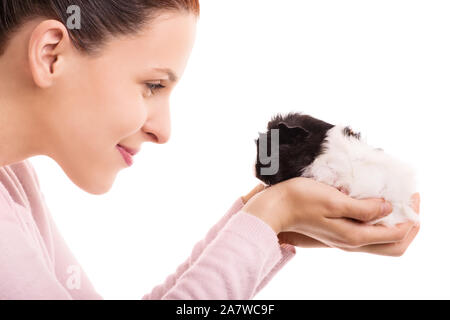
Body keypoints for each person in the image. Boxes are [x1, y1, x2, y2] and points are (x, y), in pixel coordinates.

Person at [0, 0, 420, 299]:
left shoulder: (13, 179)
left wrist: (271, 223)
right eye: (152, 86)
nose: (164, 131)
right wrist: (268, 217)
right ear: (51, 54)